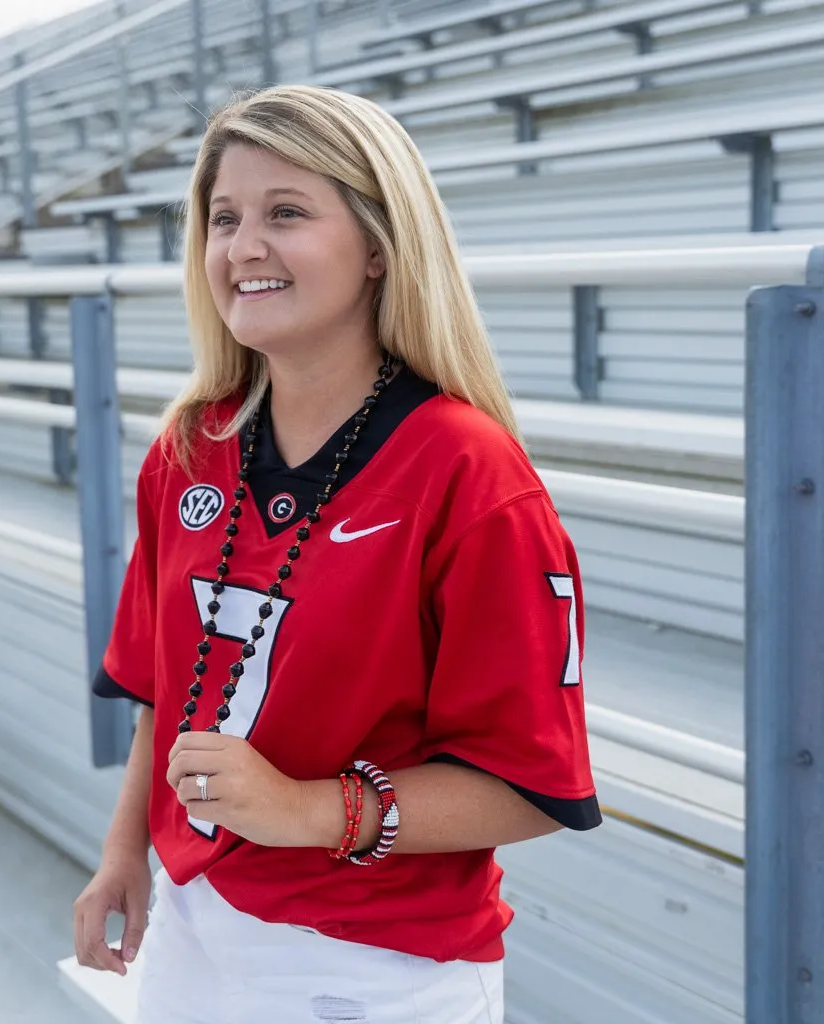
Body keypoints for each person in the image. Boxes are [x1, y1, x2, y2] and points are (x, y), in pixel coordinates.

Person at [73, 83, 601, 1024]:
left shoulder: (470, 472)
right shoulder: (189, 446)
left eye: (286, 213)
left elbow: (530, 787)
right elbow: (168, 691)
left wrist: (312, 810)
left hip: (376, 965)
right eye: (223, 217)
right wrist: (125, 854)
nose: (242, 248)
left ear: (377, 247)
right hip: (194, 921)